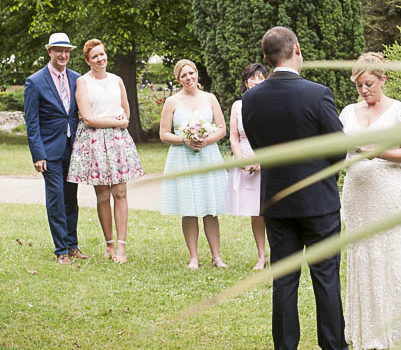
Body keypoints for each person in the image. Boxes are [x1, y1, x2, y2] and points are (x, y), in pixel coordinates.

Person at [242, 26, 360, 350]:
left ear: (266, 59)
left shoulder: (251, 99)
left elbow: (257, 143)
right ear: (295, 49)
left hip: (276, 200)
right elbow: (338, 148)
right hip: (317, 201)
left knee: (284, 280)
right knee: (326, 279)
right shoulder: (317, 93)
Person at [340, 52, 401, 350]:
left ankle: (399, 328)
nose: (364, 91)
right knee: (361, 251)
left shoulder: (400, 112)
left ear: (382, 80)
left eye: (369, 84)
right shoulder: (347, 112)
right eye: (359, 86)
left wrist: (376, 151)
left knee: (388, 250)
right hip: (356, 191)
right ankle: (363, 329)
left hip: (387, 191)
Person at [67, 39, 143, 263]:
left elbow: (126, 115)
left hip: (118, 141)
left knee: (120, 194)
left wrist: (119, 122)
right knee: (102, 195)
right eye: (95, 57)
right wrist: (115, 121)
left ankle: (121, 247)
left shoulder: (117, 81)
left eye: (102, 54)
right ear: (87, 60)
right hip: (95, 142)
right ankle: (109, 243)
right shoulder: (83, 82)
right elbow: (88, 118)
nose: (100, 59)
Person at [24, 32, 87, 264]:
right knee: (56, 199)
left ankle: (72, 246)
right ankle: (61, 250)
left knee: (71, 198)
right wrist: (38, 154)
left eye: (67, 51)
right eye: (58, 50)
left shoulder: (77, 79)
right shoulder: (35, 81)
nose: (63, 55)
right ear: (49, 51)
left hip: (74, 149)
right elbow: (32, 122)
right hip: (49, 152)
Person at [159, 59, 228, 269]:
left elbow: (222, 128)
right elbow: (163, 134)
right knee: (188, 208)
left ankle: (217, 257)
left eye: (191, 73)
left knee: (210, 207)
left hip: (208, 155)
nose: (188, 78)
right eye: (183, 76)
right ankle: (193, 257)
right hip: (182, 157)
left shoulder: (210, 98)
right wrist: (184, 139)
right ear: (178, 79)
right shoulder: (172, 102)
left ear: (197, 73)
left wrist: (206, 140)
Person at [225, 63, 269, 270]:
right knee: (255, 211)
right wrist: (242, 160)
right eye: (253, 77)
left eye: (261, 77)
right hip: (245, 158)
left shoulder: (272, 103)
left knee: (273, 209)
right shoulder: (237, 106)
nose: (257, 81)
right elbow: (234, 137)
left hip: (268, 160)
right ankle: (262, 255)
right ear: (246, 82)